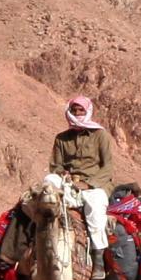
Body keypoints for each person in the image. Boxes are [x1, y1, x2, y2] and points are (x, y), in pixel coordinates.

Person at [48, 96, 114, 250]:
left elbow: (108, 167)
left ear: (88, 111)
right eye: (74, 110)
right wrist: (63, 175)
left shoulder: (100, 135)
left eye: (81, 110)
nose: (77, 113)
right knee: (49, 181)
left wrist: (88, 184)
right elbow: (55, 166)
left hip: (96, 185)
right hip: (69, 183)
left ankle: (98, 255)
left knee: (95, 208)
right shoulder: (61, 138)